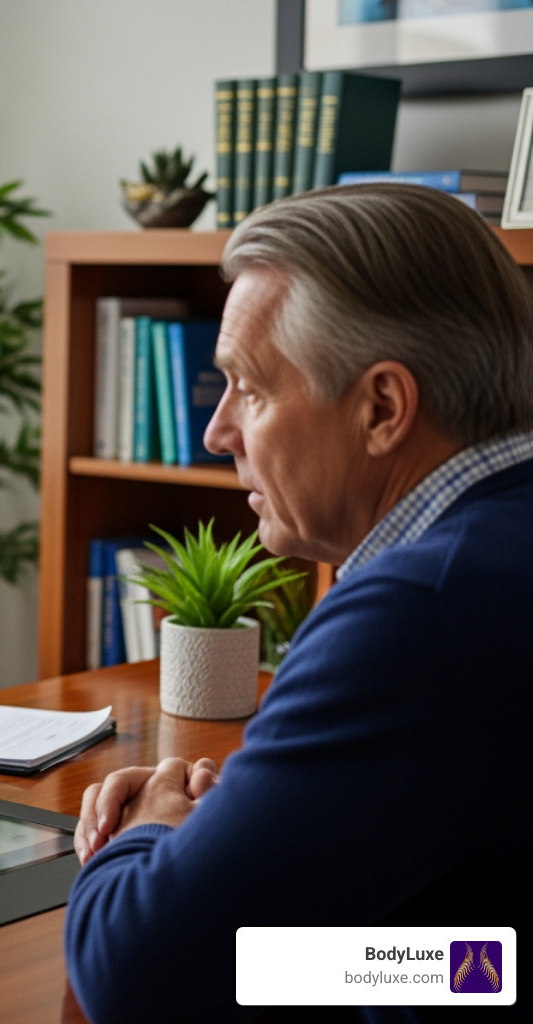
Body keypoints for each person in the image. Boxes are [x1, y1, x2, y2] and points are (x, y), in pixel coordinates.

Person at [63, 184, 533, 1023]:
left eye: (248, 386)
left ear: (382, 407)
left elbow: (134, 976)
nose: (216, 433)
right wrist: (240, 849)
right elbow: (482, 964)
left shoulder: (421, 612)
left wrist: (152, 832)